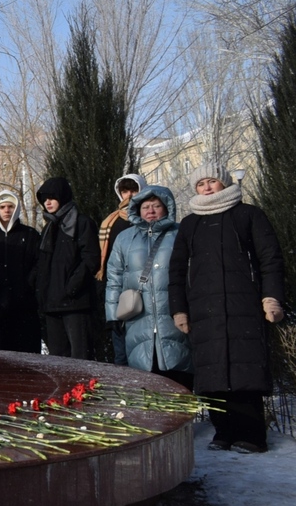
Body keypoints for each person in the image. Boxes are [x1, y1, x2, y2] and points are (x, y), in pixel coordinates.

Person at [170, 162, 285, 454]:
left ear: (224, 182)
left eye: (212, 181)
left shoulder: (249, 214)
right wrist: (179, 309)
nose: (207, 187)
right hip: (203, 308)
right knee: (212, 371)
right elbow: (177, 270)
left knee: (244, 369)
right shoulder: (190, 223)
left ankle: (253, 436)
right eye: (201, 184)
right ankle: (223, 431)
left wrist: (271, 297)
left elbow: (270, 258)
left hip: (244, 304)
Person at [104, 185, 192, 388]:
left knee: (179, 377)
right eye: (145, 207)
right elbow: (114, 277)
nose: (150, 211)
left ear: (167, 207)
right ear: (137, 209)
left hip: (174, 316)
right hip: (138, 318)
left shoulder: (180, 233)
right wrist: (112, 314)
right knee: (145, 378)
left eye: (156, 206)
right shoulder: (124, 238)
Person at [36, 177, 99, 359]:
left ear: (62, 197)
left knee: (81, 358)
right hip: (52, 305)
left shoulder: (81, 222)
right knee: (59, 361)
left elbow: (91, 259)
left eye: (52, 197)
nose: (48, 203)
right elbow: (43, 265)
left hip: (75, 304)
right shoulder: (48, 228)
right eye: (44, 199)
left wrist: (72, 287)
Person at [0, 191, 42, 354]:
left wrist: (28, 283)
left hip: (25, 306)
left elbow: (39, 263)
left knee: (27, 355)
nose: (6, 210)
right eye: (2, 207)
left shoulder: (30, 235)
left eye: (10, 206)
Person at [100, 174, 147, 366]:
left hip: (145, 287)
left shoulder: (149, 218)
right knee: (121, 354)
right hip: (120, 292)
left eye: (134, 190)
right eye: (125, 191)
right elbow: (110, 265)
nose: (129, 195)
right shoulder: (111, 222)